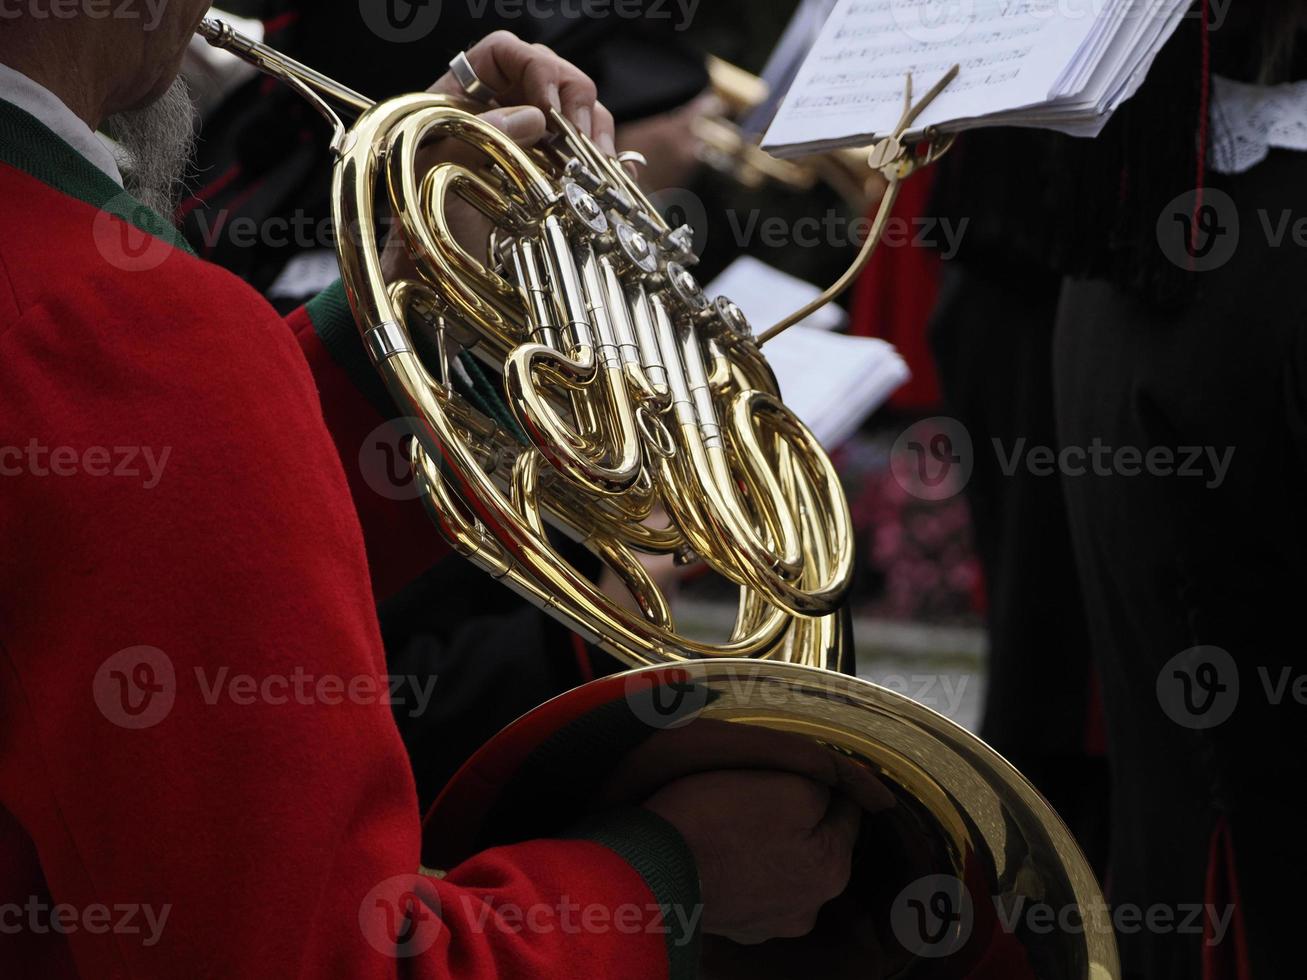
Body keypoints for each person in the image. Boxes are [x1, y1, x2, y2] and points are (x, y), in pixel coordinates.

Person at [0, 6, 871, 976]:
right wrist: (662, 877)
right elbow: (323, 957)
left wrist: (417, 318)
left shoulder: (115, 325)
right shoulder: (131, 326)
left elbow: (142, 536)